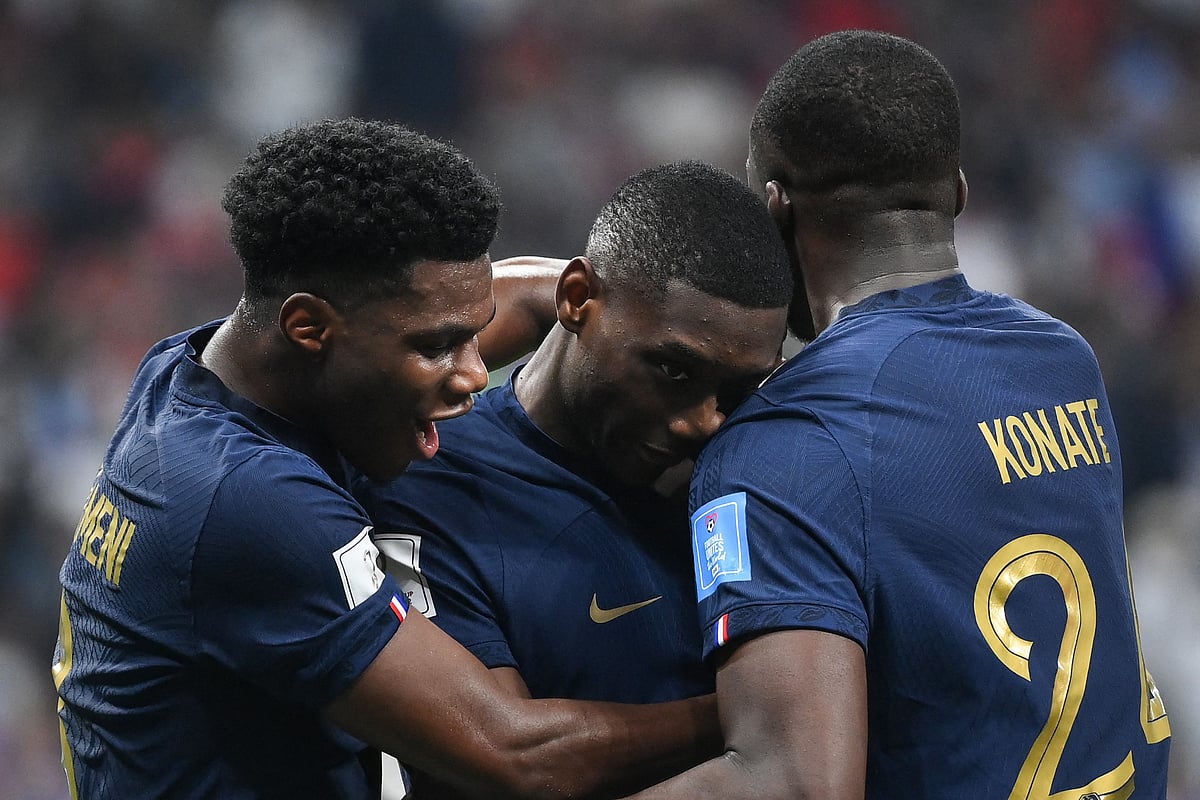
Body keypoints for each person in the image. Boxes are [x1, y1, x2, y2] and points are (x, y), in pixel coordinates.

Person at [51, 117, 722, 800]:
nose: (470, 374)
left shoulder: (194, 370)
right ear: (308, 328)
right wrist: (766, 703)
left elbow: (518, 295)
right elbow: (515, 753)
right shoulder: (247, 501)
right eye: (438, 347)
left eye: (471, 336)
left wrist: (648, 319)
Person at [625, 29, 1172, 799]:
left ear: (774, 207)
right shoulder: (1062, 358)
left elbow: (793, 782)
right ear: (957, 191)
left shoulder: (790, 438)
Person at [355, 159, 794, 799]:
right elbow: (506, 760)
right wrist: (775, 708)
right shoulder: (427, 478)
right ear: (577, 299)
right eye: (672, 370)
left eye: (733, 389)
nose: (701, 422)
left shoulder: (755, 472)